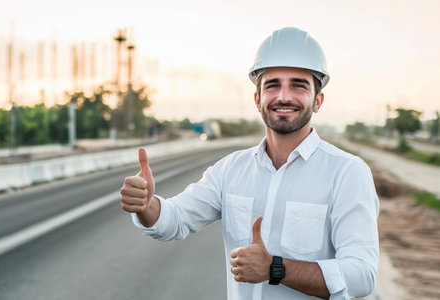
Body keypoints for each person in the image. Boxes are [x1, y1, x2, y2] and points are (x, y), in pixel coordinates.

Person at [120, 27, 379, 299]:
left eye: (298, 85)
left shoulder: (347, 172)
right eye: (272, 85)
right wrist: (147, 206)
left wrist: (275, 269)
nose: (283, 96)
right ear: (258, 100)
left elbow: (362, 275)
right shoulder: (231, 169)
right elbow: (175, 220)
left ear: (318, 101)